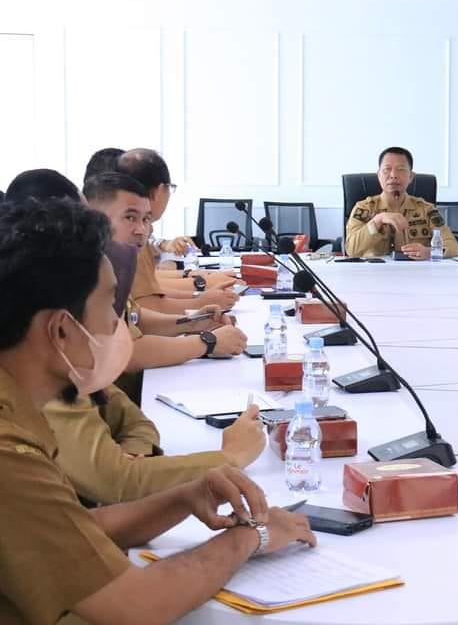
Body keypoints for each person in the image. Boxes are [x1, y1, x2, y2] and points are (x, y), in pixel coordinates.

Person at [0, 197, 315, 624]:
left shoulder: (20, 405)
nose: (121, 326)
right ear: (60, 330)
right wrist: (251, 537)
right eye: (110, 307)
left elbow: (72, 531)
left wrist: (183, 497)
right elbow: (134, 606)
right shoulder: (9, 453)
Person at [83, 173, 249, 367]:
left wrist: (193, 321)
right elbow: (126, 352)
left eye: (146, 219)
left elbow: (136, 319)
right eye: (130, 217)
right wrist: (208, 342)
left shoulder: (114, 264)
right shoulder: (89, 275)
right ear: (94, 218)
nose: (142, 230)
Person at [116, 149, 241, 313]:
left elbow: (152, 287)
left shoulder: (134, 228)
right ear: (160, 190)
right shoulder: (131, 235)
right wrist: (201, 297)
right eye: (170, 188)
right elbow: (146, 305)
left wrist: (201, 284)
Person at [345, 147, 458, 259]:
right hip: (374, 271)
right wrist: (378, 220)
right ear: (379, 175)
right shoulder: (364, 208)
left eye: (400, 169)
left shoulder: (426, 209)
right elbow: (351, 249)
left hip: (416, 271)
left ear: (411, 176)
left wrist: (430, 252)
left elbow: (452, 246)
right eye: (387, 169)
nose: (393, 175)